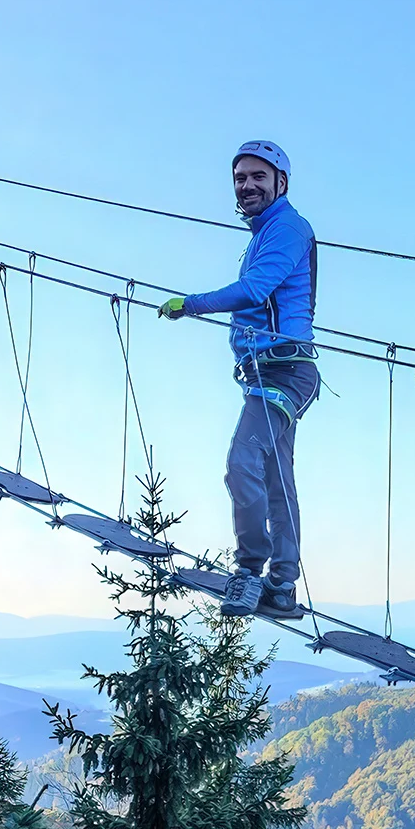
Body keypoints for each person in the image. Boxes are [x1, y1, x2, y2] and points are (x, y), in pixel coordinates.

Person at [159, 140, 318, 619]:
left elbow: (254, 289)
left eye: (257, 177)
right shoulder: (264, 233)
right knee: (275, 477)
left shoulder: (288, 228)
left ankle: (249, 572)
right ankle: (283, 584)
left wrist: (189, 304)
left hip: (284, 371)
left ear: (280, 183)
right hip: (272, 370)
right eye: (240, 178)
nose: (247, 185)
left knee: (241, 464)